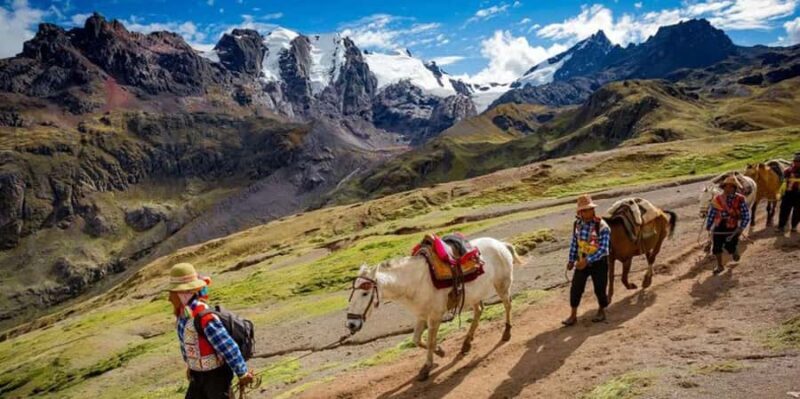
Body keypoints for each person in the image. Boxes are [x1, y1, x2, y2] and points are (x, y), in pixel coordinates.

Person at [168, 262, 253, 399]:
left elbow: (226, 346)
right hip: (198, 375)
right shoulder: (183, 316)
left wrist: (242, 372)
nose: (169, 298)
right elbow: (186, 344)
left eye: (173, 293)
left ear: (183, 293)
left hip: (216, 376)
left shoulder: (205, 317)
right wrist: (191, 365)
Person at [563, 194, 611, 326]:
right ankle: (573, 315)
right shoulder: (577, 225)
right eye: (583, 210)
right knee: (576, 288)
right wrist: (571, 260)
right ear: (579, 212)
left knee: (600, 288)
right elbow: (575, 243)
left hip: (599, 262)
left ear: (593, 210)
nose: (585, 212)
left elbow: (603, 249)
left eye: (588, 209)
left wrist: (587, 260)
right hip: (581, 261)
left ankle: (601, 311)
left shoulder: (602, 226)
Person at [705, 175, 751, 274]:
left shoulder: (740, 199)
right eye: (726, 186)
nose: (728, 189)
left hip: (732, 226)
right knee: (716, 246)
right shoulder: (717, 199)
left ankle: (733, 251)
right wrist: (709, 225)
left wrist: (741, 227)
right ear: (723, 187)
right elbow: (712, 213)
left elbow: (746, 215)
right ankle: (720, 266)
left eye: (731, 187)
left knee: (730, 245)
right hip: (719, 224)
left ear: (735, 188)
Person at [778, 152, 800, 233]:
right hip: (788, 193)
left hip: (799, 194)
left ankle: (794, 226)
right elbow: (783, 180)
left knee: (798, 211)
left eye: (798, 162)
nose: (796, 163)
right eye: (795, 161)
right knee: (784, 210)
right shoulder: (788, 170)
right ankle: (781, 226)